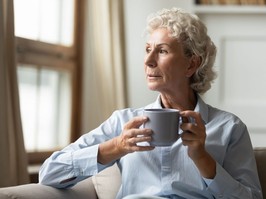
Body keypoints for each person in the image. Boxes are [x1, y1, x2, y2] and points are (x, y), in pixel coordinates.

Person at [39, 7, 262, 199]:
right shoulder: (124, 122)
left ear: (191, 64)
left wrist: (202, 158)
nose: (148, 60)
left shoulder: (229, 128)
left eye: (162, 51)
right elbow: (50, 172)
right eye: (147, 50)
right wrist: (116, 147)